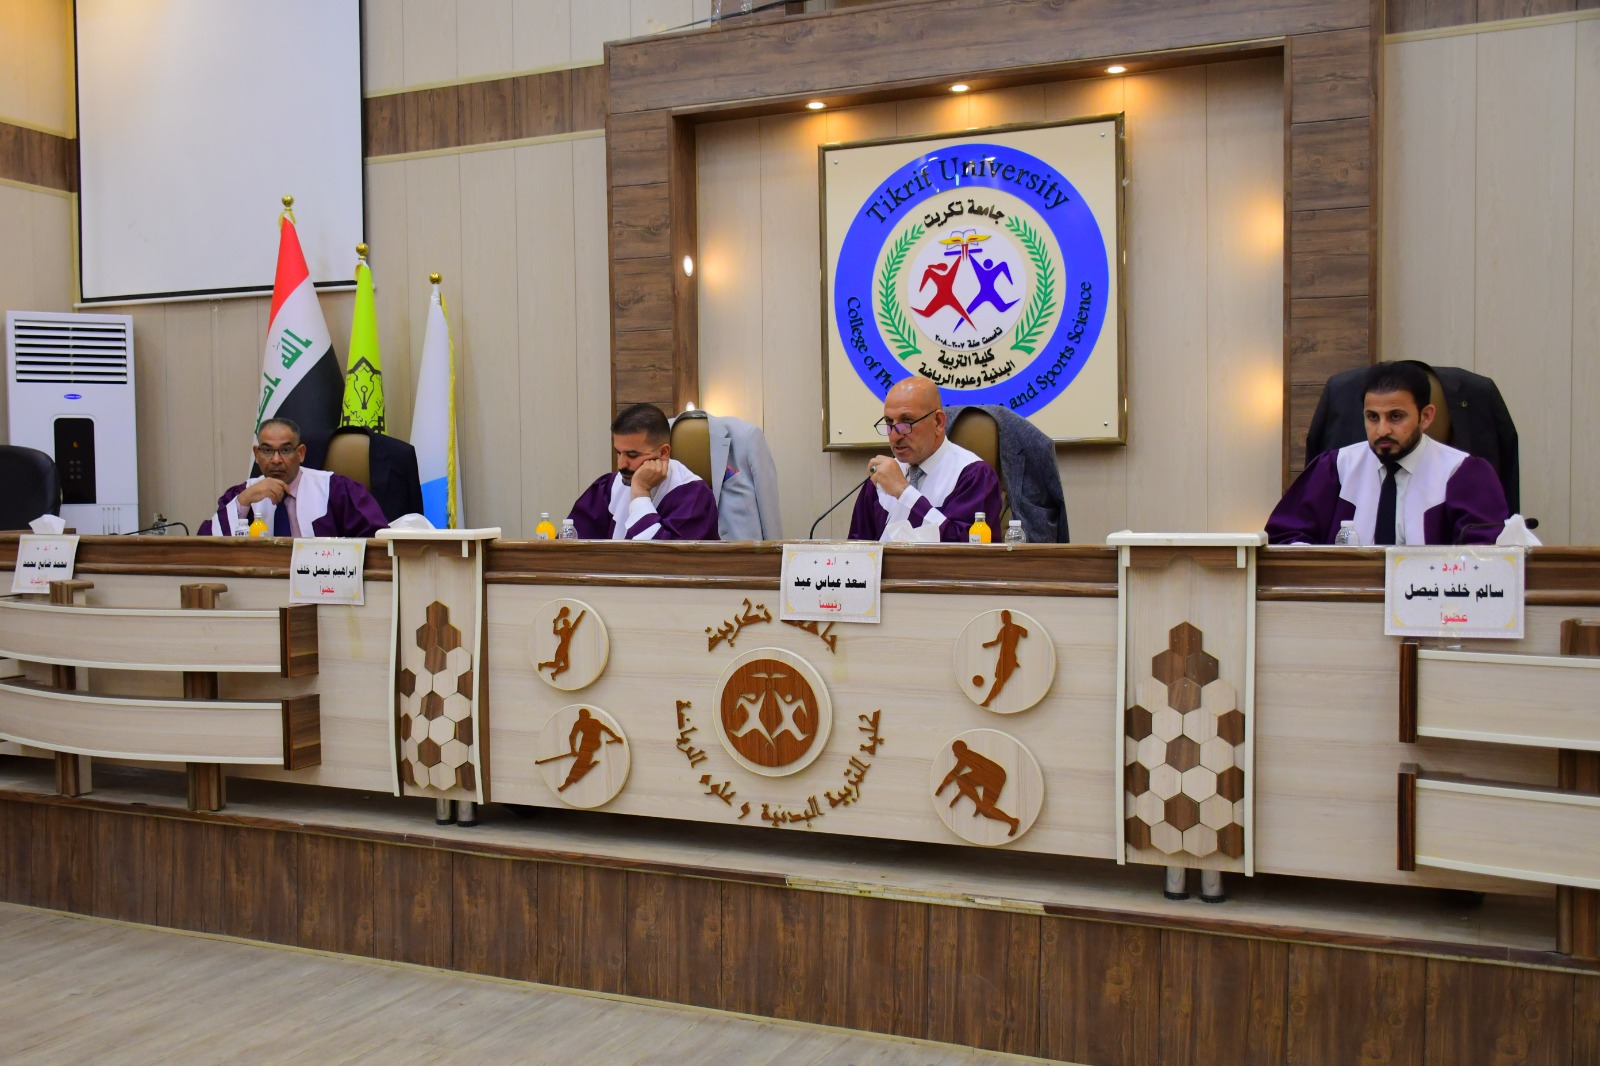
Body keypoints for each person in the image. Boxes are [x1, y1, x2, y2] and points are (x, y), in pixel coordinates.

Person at [1267, 362, 1510, 545]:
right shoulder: (1335, 468)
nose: (1382, 430)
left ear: (1426, 417)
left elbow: (1484, 554)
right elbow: (1284, 537)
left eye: (1396, 416)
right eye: (1372, 417)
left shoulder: (1462, 473)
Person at [847, 376, 1002, 542]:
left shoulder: (973, 475)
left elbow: (966, 548)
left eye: (907, 421)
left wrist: (904, 492)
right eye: (889, 422)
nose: (895, 435)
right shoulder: (882, 477)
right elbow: (857, 548)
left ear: (938, 422)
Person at [200, 418, 389, 538]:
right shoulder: (244, 494)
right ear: (256, 454)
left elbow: (378, 539)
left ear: (301, 453)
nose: (276, 460)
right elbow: (206, 545)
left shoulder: (336, 490)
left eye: (285, 450)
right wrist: (243, 500)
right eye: (267, 450)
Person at [569, 403, 719, 540]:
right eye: (618, 453)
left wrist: (640, 493)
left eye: (632, 455)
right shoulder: (608, 488)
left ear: (663, 453)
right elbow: (570, 545)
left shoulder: (694, 497)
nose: (621, 464)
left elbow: (658, 557)